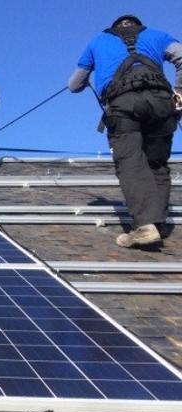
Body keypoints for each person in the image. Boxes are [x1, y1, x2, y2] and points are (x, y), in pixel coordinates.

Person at [69, 14, 182, 248]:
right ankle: (157, 224)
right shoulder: (157, 35)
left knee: (130, 162)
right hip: (162, 103)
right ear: (137, 25)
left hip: (123, 104)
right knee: (157, 164)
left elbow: (74, 85)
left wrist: (89, 76)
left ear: (115, 27)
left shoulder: (97, 41)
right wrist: (179, 90)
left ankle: (145, 225)